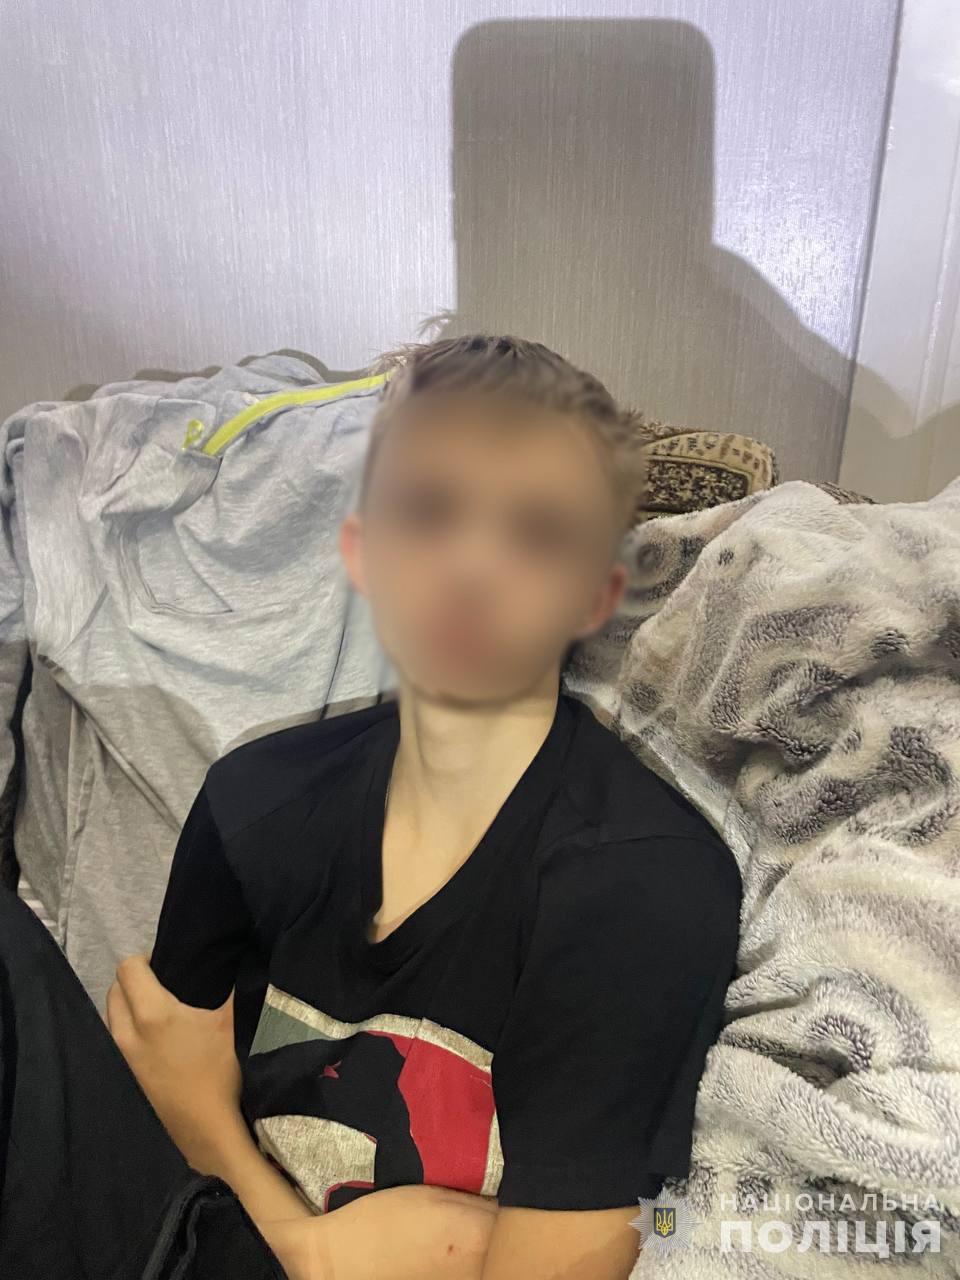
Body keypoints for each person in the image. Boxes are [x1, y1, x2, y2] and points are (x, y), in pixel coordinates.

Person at [0, 335, 742, 1280]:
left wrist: (242, 1174)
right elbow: (154, 1120)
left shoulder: (641, 887)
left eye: (536, 531)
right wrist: (304, 1232)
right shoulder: (252, 801)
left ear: (593, 593)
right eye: (429, 511)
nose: (473, 566)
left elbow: (190, 1108)